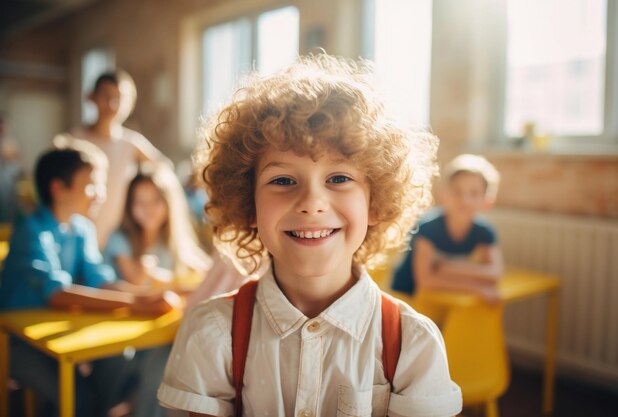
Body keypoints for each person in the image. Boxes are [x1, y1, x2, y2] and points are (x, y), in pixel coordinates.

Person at [158, 54, 462, 417]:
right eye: (283, 180)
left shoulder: (413, 342)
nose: (312, 203)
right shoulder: (211, 333)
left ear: (375, 203)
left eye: (339, 178)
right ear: (249, 205)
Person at [0, 143, 179, 417]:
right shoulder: (32, 231)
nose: (101, 194)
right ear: (59, 189)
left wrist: (143, 297)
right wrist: (137, 304)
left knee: (118, 364)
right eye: (92, 185)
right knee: (79, 398)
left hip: (56, 335)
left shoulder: (81, 228)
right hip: (15, 342)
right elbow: (58, 294)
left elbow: (100, 279)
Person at [58, 69, 170, 249]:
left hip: (115, 242)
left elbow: (164, 167)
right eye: (106, 96)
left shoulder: (132, 143)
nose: (112, 104)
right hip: (73, 238)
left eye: (119, 98)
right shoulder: (74, 141)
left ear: (130, 103)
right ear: (91, 97)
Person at [391, 153, 504, 303]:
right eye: (457, 192)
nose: (465, 200)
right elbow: (425, 281)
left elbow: (495, 273)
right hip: (408, 297)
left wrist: (448, 267)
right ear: (445, 194)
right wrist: (475, 287)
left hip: (444, 298)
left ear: (487, 200)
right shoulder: (427, 228)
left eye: (474, 193)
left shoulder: (484, 232)